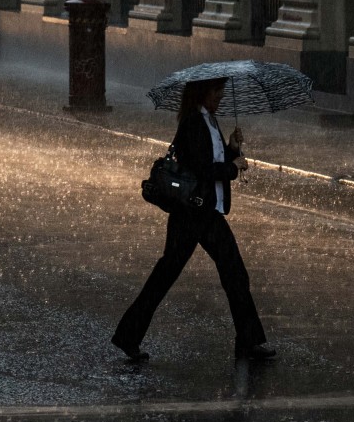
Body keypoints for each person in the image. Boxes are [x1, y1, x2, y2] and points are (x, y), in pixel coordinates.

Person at [112, 77, 276, 363]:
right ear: (203, 92)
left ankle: (128, 336)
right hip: (197, 212)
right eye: (217, 91)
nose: (221, 96)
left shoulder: (208, 120)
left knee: (170, 273)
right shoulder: (193, 123)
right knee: (233, 273)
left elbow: (212, 157)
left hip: (196, 212)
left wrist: (232, 147)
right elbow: (203, 169)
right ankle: (249, 342)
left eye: (222, 90)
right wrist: (233, 167)